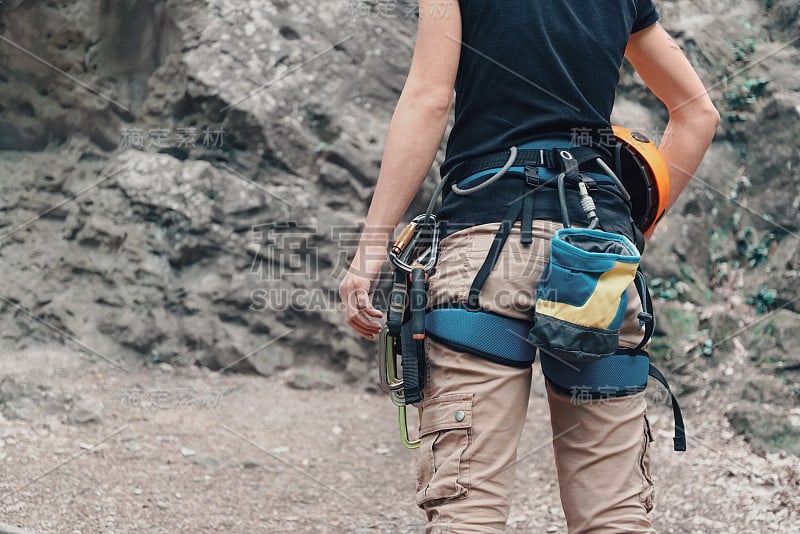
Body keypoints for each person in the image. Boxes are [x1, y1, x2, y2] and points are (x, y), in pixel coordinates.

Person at [339, 0, 719, 532]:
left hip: (487, 251)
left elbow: (429, 97)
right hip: (599, 260)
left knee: (468, 509)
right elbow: (698, 113)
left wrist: (370, 250)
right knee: (614, 516)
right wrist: (628, 231)